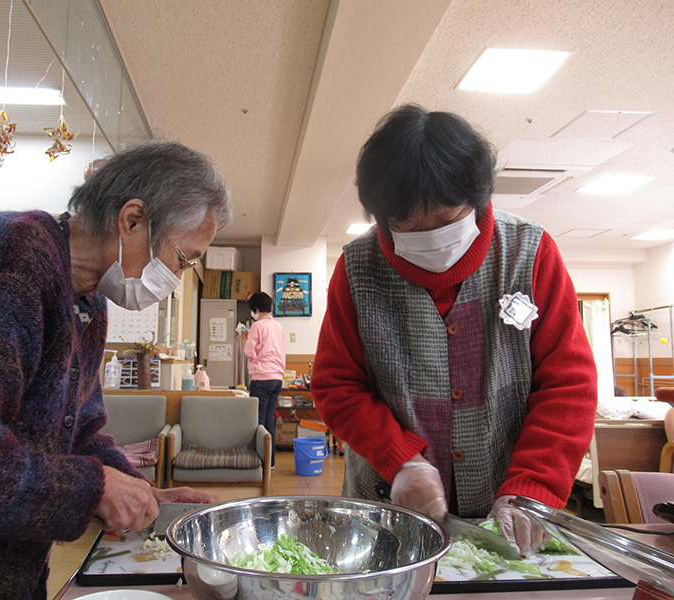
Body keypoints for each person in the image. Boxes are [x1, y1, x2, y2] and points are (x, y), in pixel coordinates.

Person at [0, 141, 230, 599]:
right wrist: (96, 490)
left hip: (8, 570)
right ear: (133, 220)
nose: (175, 280)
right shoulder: (0, 260)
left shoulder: (88, 301)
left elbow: (79, 433)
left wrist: (141, 493)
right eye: (182, 259)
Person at [311, 104, 598, 556]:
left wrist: (533, 486)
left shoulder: (530, 253)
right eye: (408, 225)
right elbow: (335, 385)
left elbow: (568, 385)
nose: (430, 236)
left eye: (445, 221)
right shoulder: (357, 269)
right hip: (387, 506)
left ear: (478, 201)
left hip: (506, 511)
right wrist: (399, 458)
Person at [241, 292, 286, 467]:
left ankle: (260, 462)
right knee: (269, 421)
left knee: (258, 421)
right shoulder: (278, 327)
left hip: (261, 378)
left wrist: (245, 339)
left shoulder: (257, 326)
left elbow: (250, 352)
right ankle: (271, 462)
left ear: (256, 309)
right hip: (276, 379)